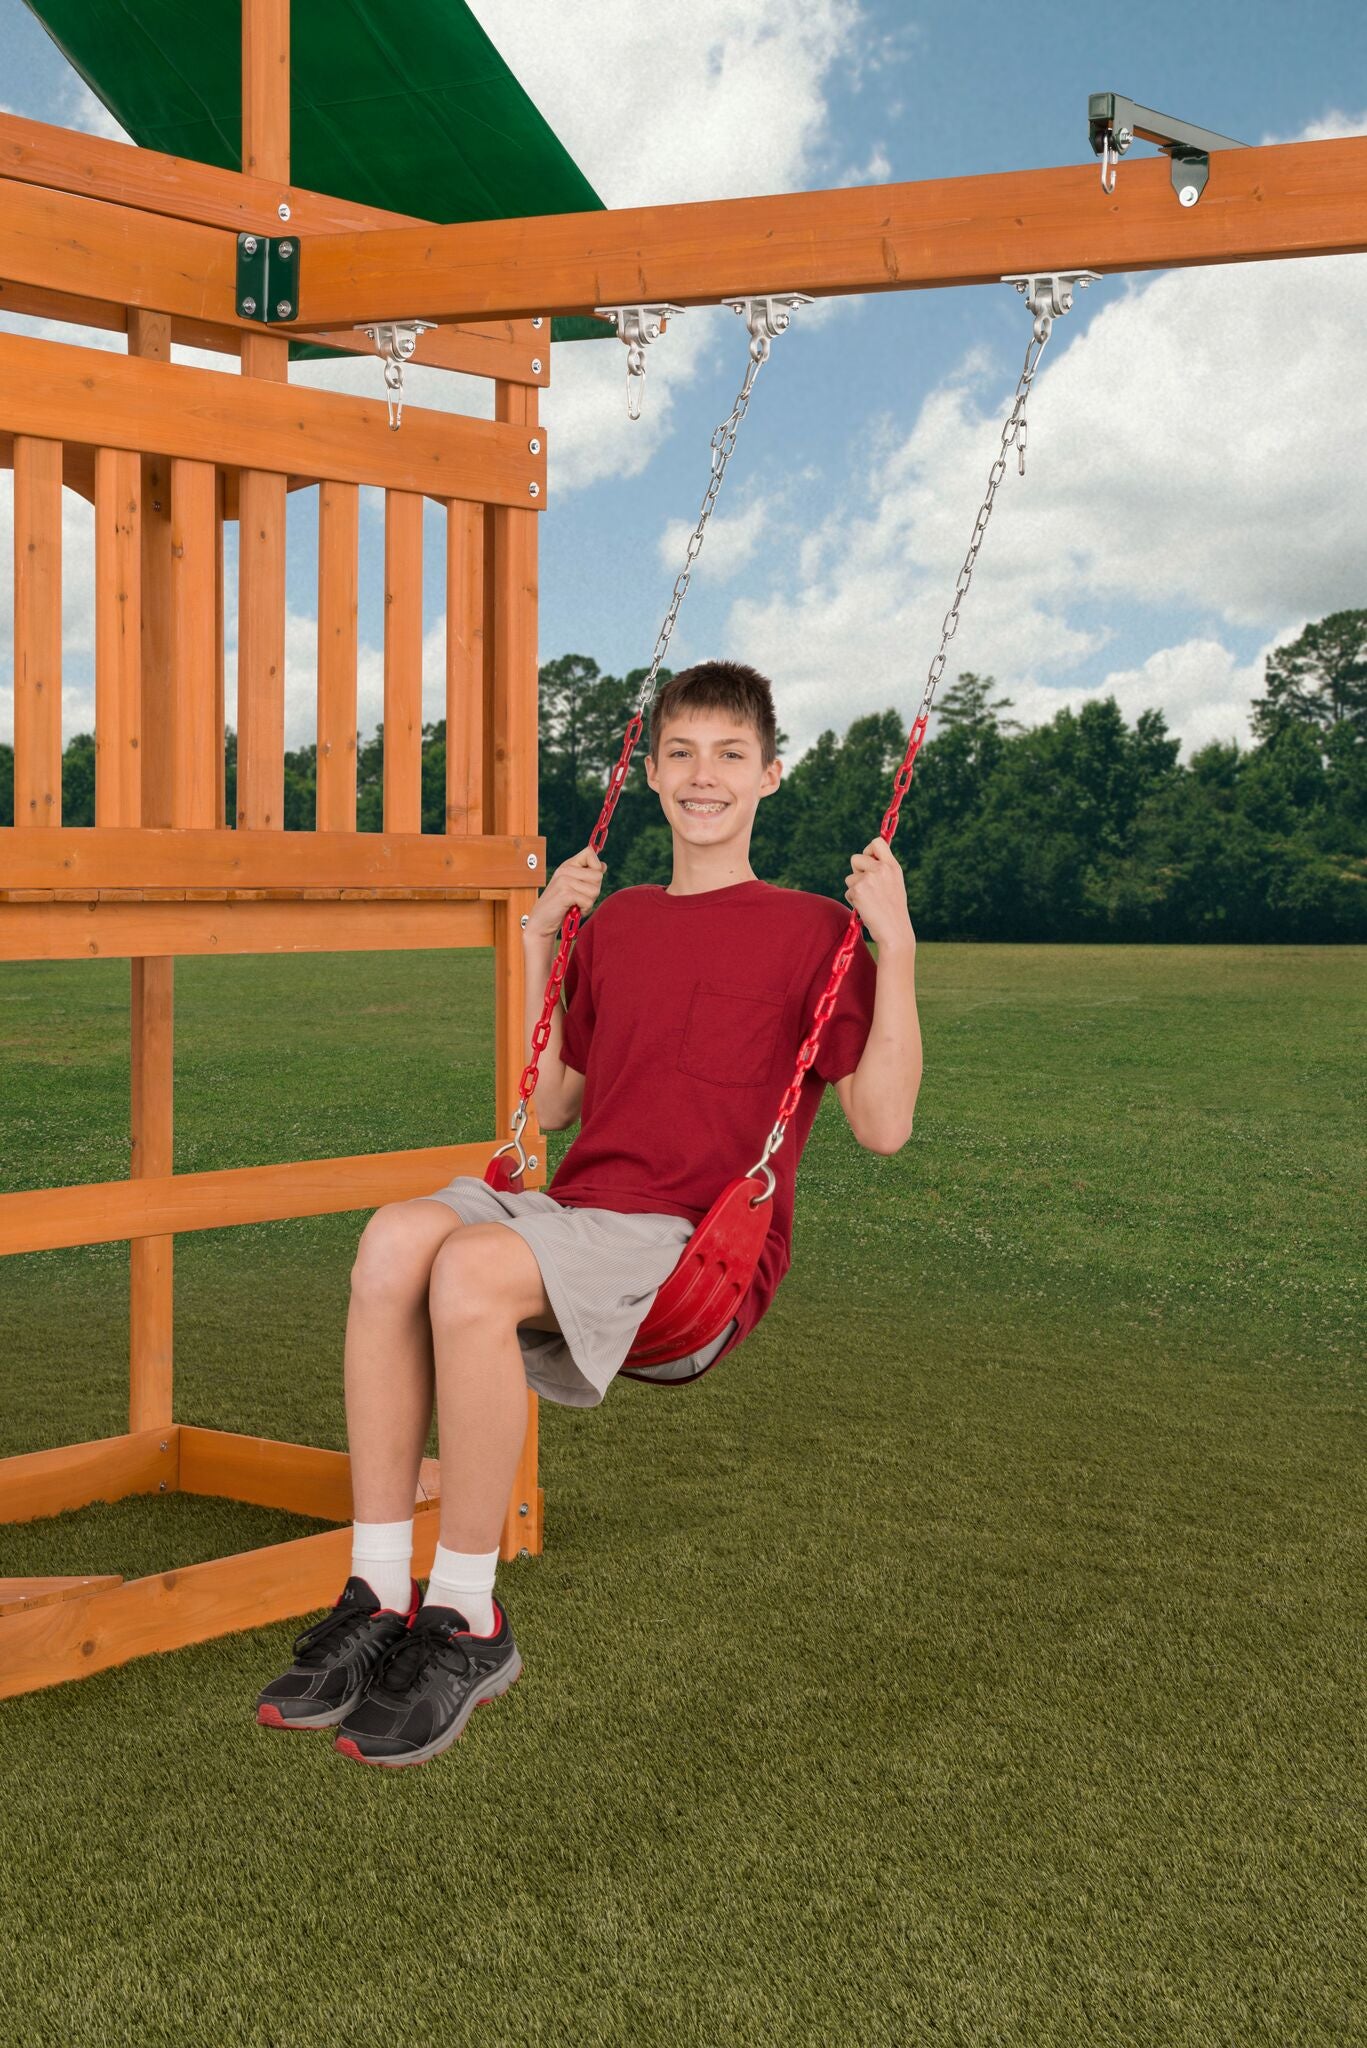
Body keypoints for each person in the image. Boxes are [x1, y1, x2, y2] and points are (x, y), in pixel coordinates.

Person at [256, 659, 922, 1767]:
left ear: (769, 774)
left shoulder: (817, 930)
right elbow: (554, 1104)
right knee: (393, 1240)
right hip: (577, 1211)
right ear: (649, 771)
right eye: (680, 753)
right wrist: (538, 944)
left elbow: (883, 1124)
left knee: (470, 1267)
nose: (702, 775)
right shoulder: (619, 924)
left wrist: (894, 946)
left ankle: (466, 1616)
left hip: (688, 1248)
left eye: (729, 755)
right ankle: (376, 1592)